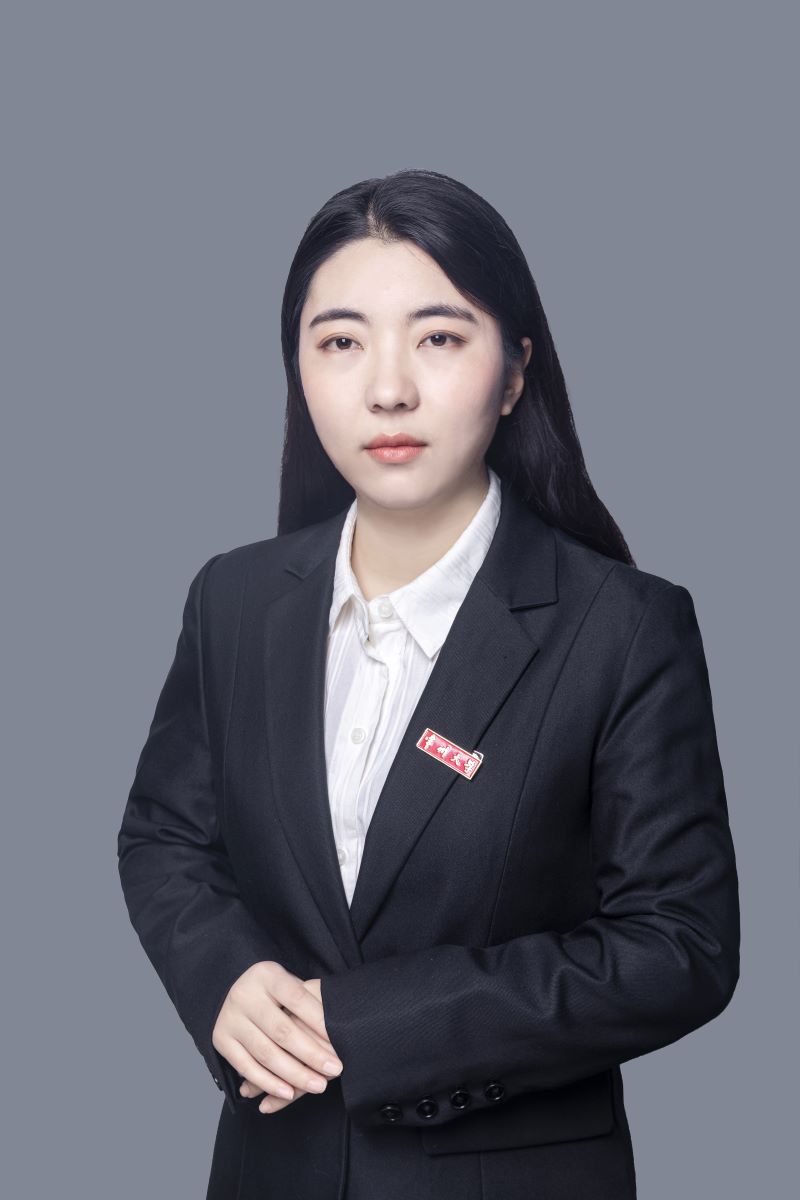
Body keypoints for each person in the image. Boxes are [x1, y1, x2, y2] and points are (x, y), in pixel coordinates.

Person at [117, 168, 740, 1200]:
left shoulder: (625, 628)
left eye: (439, 337)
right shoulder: (233, 598)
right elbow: (165, 836)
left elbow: (680, 947)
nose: (387, 389)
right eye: (340, 342)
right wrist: (224, 975)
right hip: (271, 1170)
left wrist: (376, 1023)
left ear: (514, 372)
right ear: (298, 369)